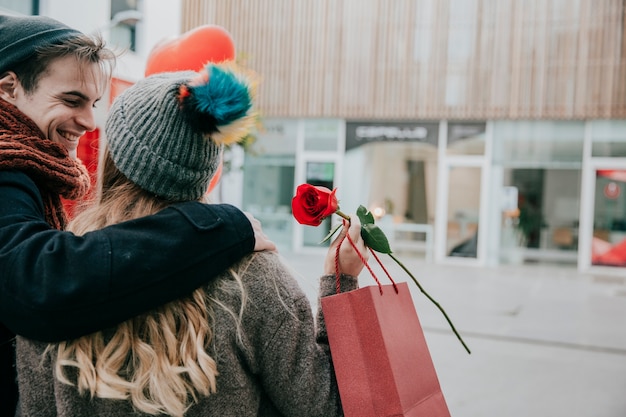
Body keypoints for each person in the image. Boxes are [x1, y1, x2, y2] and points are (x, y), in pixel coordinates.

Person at [15, 61, 368, 417]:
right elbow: (329, 407)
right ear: (207, 171)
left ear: (114, 156)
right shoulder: (254, 278)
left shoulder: (53, 273)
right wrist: (341, 281)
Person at [0, 14, 275, 416]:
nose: (90, 121)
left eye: (93, 104)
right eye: (71, 100)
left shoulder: (27, 172)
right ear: (9, 88)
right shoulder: (8, 174)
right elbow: (39, 281)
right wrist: (222, 227)